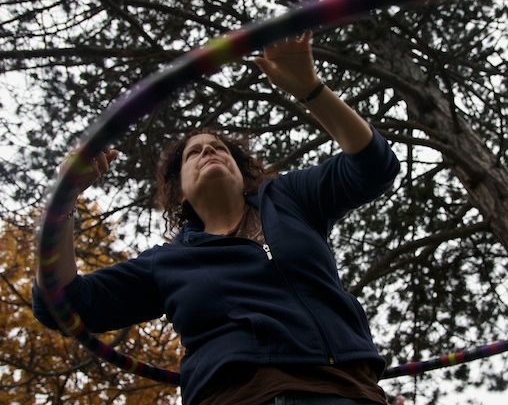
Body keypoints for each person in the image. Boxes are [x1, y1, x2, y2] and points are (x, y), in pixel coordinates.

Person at [32, 31, 400, 405]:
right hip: (236, 396)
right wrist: (64, 198)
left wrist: (310, 88)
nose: (208, 150)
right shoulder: (168, 262)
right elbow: (61, 304)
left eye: (219, 148)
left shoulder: (289, 198)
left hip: (347, 390)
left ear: (243, 174)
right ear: (179, 191)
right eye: (194, 154)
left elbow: (375, 166)